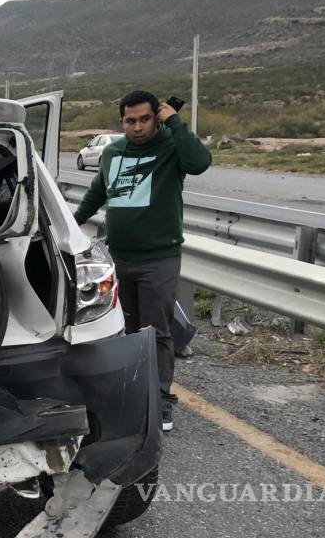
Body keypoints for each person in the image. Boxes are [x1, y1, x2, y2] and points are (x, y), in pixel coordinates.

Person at [73, 90, 212, 432]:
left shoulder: (169, 147)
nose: (137, 127)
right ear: (122, 121)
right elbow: (98, 192)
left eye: (145, 119)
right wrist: (72, 225)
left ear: (157, 117)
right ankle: (131, 393)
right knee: (122, 330)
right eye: (130, 120)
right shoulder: (114, 151)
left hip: (158, 259)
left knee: (157, 332)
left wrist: (174, 122)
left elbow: (200, 162)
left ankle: (161, 400)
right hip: (118, 257)